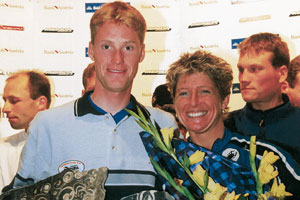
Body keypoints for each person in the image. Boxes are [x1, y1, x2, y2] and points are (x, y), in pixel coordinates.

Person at [2, 2, 177, 199]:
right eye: (107, 46)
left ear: (142, 53)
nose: (117, 59)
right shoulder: (47, 126)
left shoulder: (164, 125)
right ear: (92, 50)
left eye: (128, 47)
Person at [163, 50, 300, 198]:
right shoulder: (170, 163)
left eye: (204, 91)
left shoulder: (262, 158)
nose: (194, 102)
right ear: (175, 103)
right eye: (184, 93)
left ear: (224, 100)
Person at [224, 32, 300, 164]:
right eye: (241, 70)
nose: (244, 79)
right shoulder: (225, 125)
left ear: (282, 74)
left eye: (254, 69)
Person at [0, 70, 51, 193]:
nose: (5, 108)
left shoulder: (65, 146)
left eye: (14, 100)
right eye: (5, 100)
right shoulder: (2, 148)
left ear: (41, 102)